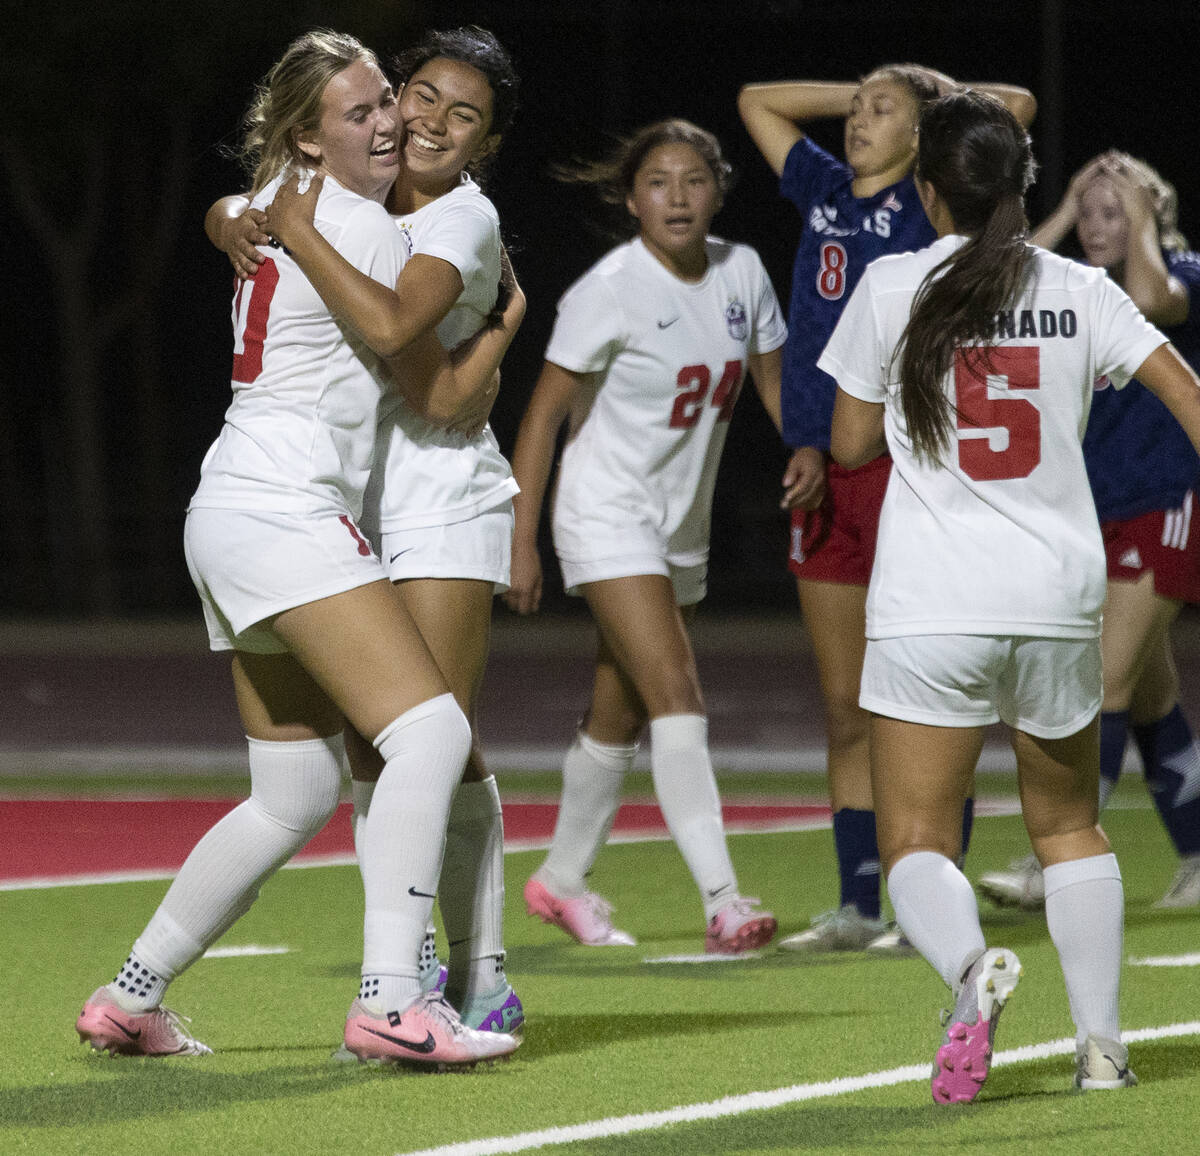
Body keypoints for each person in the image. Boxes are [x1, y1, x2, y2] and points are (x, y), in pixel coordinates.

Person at [74, 30, 524, 1068]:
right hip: (283, 506)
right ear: (307, 137)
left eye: (386, 104)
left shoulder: (283, 192)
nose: (393, 123)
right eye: (366, 110)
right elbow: (404, 334)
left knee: (295, 795)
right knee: (430, 736)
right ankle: (392, 998)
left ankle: (132, 993)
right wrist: (501, 327)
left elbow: (240, 209)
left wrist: (244, 206)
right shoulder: (361, 224)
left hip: (227, 506)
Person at [825, 90, 1200, 1100]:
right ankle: (1103, 1047)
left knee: (912, 837)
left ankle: (968, 970)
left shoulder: (892, 284)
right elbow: (1187, 395)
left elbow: (851, 442)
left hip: (932, 595)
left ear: (927, 189)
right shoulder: (1082, 287)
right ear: (1023, 185)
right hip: (1057, 591)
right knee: (1070, 825)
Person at [212, 25, 526, 1038]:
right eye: (419, 94)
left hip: (436, 493)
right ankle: (412, 970)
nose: (428, 120)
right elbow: (250, 203)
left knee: (437, 742)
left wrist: (502, 338)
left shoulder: (460, 218)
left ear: (484, 145)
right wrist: (229, 216)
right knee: (385, 754)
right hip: (351, 504)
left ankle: (472, 971)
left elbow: (425, 380)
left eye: (461, 114)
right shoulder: (368, 188)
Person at [738, 67, 1036, 953]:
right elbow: (758, 100)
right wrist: (869, 90)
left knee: (929, 693)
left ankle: (930, 904)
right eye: (855, 111)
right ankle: (860, 903)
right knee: (845, 704)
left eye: (880, 114)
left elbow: (1013, 108)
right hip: (827, 464)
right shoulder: (824, 187)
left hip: (906, 463)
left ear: (924, 141)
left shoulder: (923, 197)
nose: (859, 121)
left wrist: (926, 94)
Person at [506, 119, 795, 954]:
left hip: (679, 523)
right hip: (604, 510)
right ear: (632, 199)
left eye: (694, 179)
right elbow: (542, 415)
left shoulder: (742, 270)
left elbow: (775, 385)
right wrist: (521, 540)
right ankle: (724, 900)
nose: (677, 195)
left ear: (718, 190)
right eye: (659, 182)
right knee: (677, 691)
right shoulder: (609, 288)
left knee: (619, 712)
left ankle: (559, 880)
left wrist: (813, 451)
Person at [979, 152, 1200, 912]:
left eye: (1116, 213)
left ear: (1148, 216)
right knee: (1146, 699)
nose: (1100, 227)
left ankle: (1056, 859)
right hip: (1098, 510)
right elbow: (995, 279)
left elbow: (1155, 297)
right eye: (1092, 214)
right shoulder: (1068, 288)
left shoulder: (1182, 270)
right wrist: (1069, 206)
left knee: (1101, 684)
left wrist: (1140, 220)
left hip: (1166, 502)